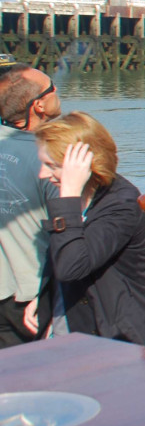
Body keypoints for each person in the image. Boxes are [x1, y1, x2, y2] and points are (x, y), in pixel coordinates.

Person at [34, 111, 145, 348]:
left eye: (51, 165)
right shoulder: (72, 196)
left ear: (83, 166)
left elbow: (71, 266)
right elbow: (57, 252)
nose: (42, 174)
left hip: (119, 340)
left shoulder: (122, 204)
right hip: (69, 330)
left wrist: (67, 196)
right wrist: (43, 299)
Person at [0, 59, 61, 348]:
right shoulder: (47, 157)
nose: (57, 89)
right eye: (51, 88)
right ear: (38, 106)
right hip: (29, 298)